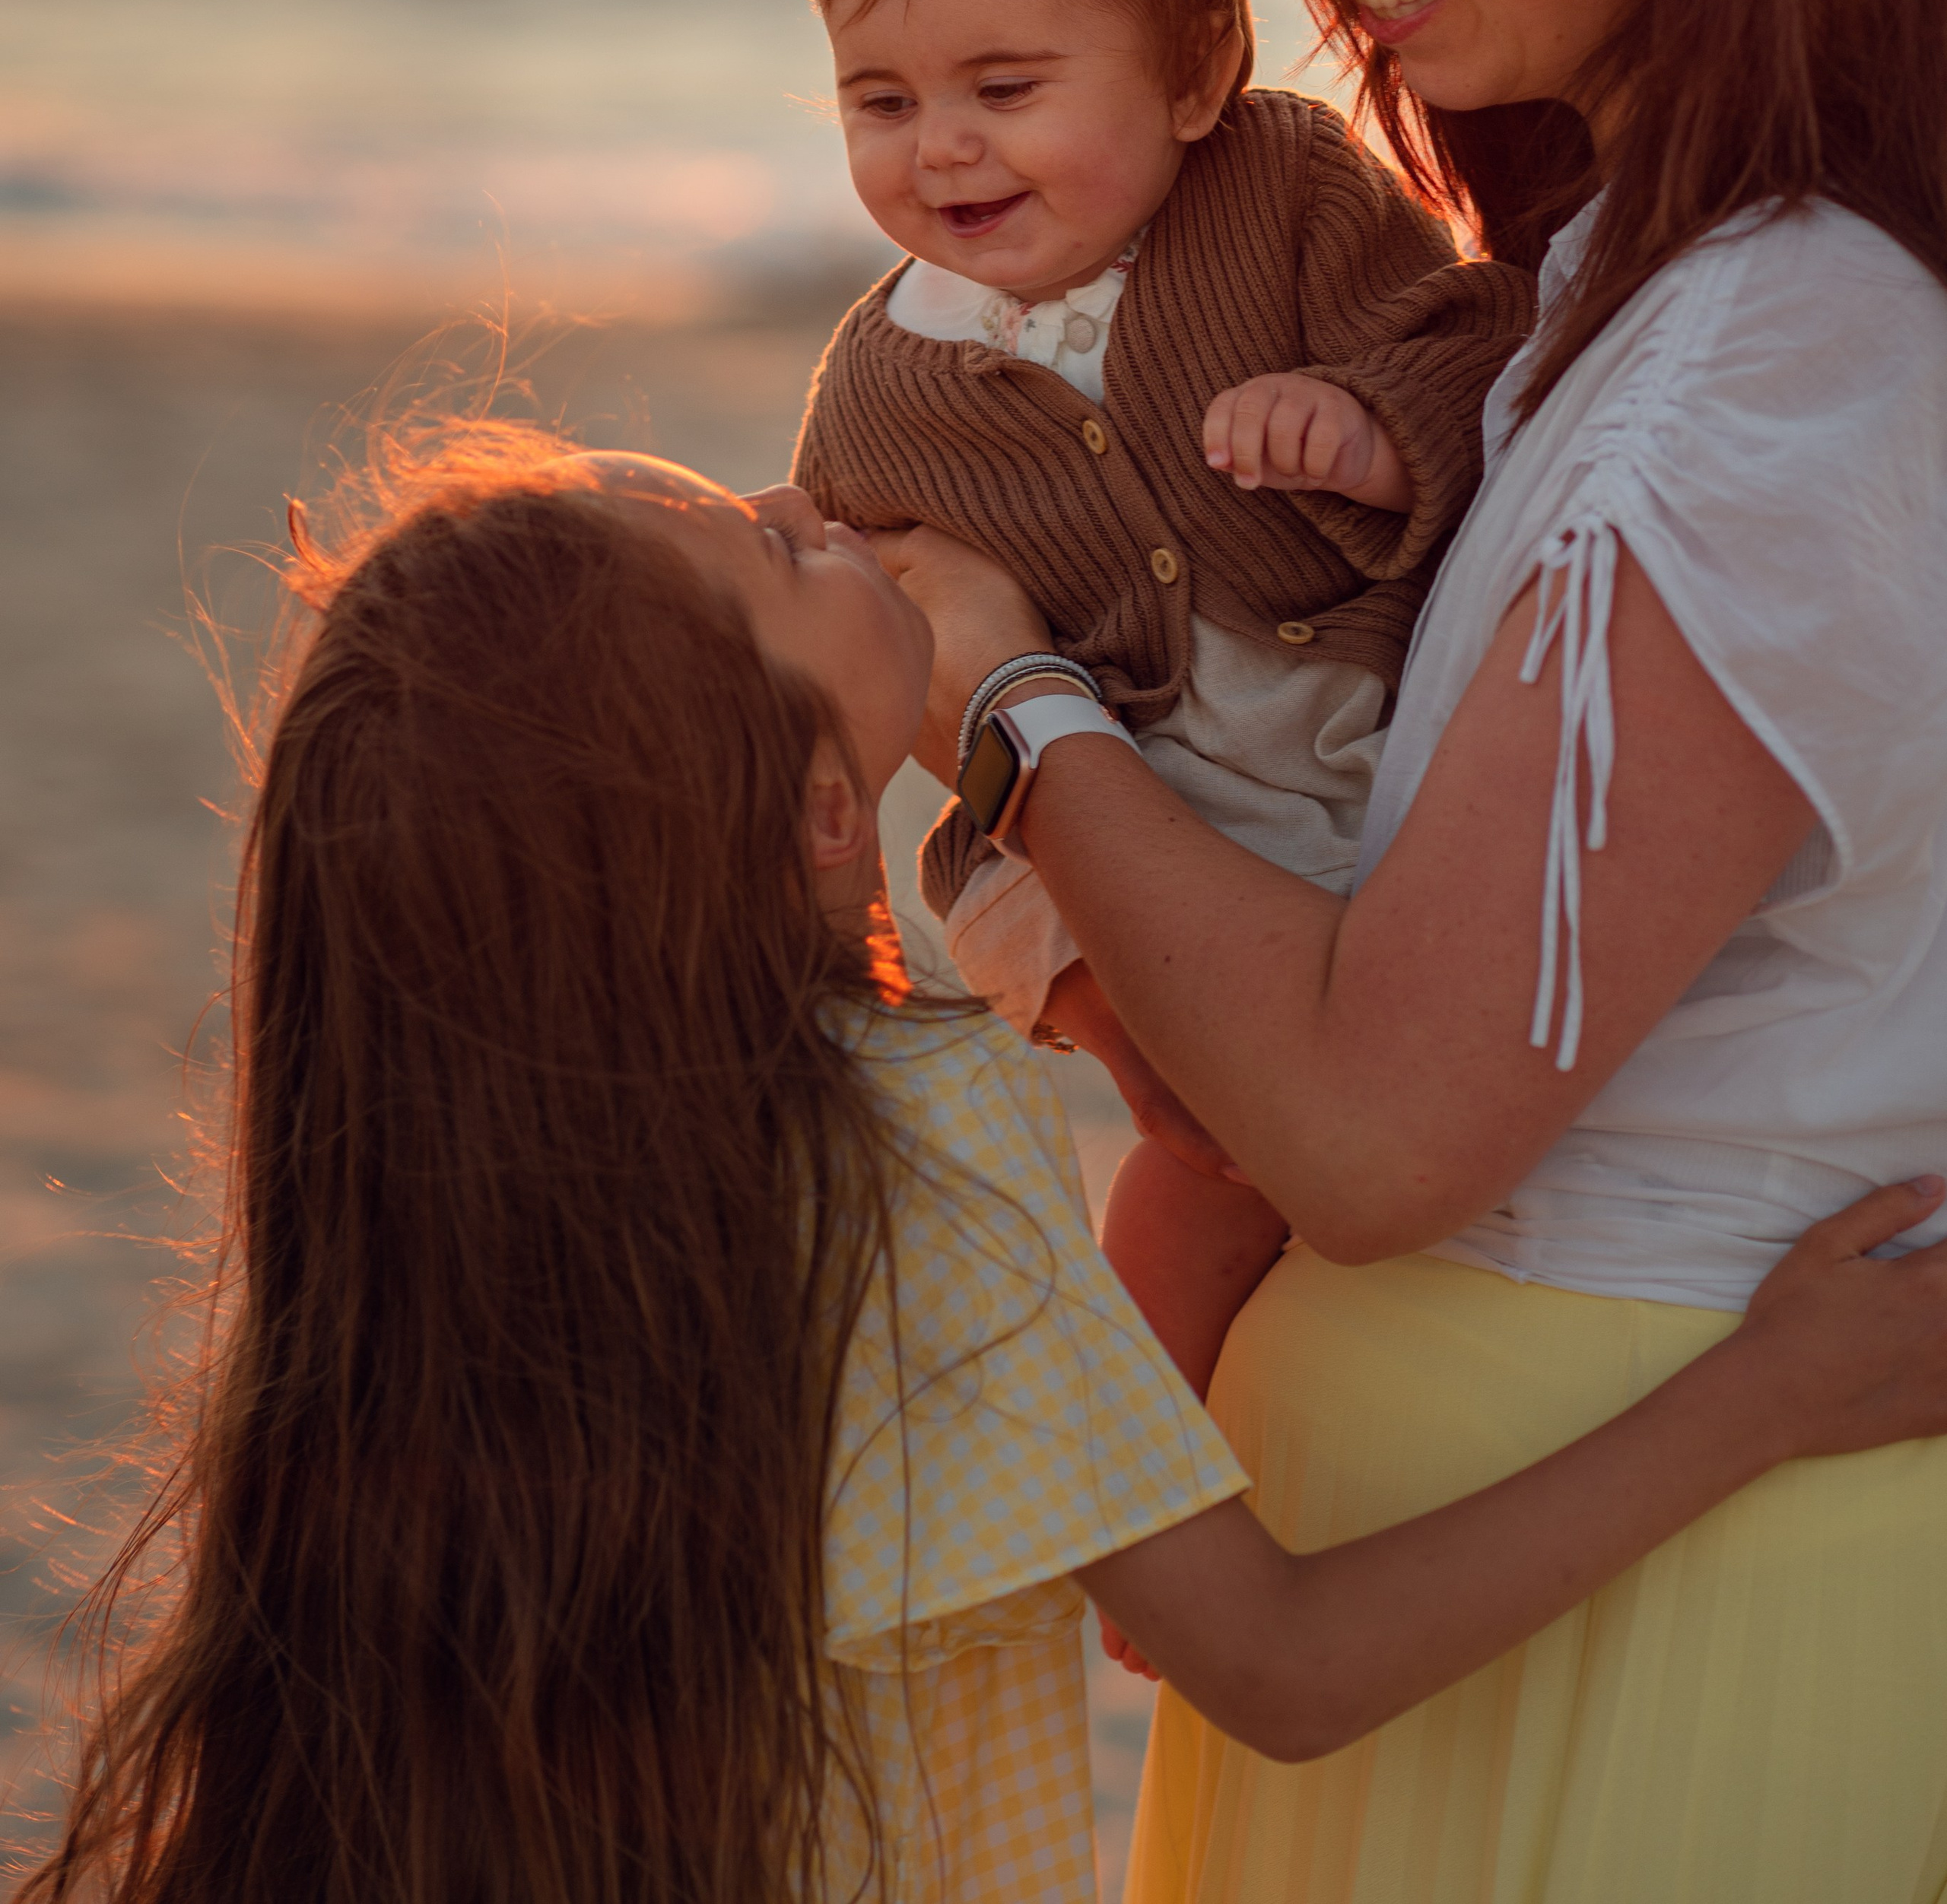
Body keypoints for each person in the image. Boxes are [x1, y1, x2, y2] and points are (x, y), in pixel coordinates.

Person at [871, 0, 1947, 1902]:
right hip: (1510, 1630)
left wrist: (989, 680)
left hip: (1669, 1663)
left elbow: (1368, 1128)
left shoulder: (1769, 382)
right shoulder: (1610, 294)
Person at [27, 438, 1947, 1904]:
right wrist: (1761, 1396)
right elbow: (1274, 1664)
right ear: (799, 816)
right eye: (780, 557)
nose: (817, 509)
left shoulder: (440, 1245)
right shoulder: (899, 1154)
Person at [792, 0, 1530, 1385]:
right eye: (880, 100)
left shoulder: (1279, 188)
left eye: (1005, 90)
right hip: (1104, 820)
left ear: (1194, 75)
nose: (941, 150)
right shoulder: (876, 390)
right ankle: (1151, 1478)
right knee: (1189, 1180)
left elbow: (1472, 337)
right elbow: (869, 649)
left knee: (1449, 1078)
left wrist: (1365, 424)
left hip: (1357, 723)